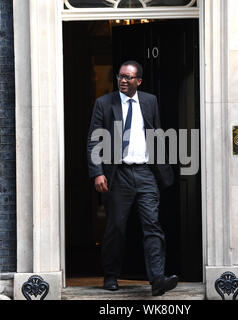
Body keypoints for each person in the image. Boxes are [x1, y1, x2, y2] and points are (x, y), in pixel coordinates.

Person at [86, 60, 177, 296]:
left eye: (129, 77)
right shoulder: (104, 103)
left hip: (146, 173)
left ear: (139, 81)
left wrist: (162, 168)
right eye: (121, 76)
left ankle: (157, 278)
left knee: (152, 226)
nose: (123, 80)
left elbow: (156, 133)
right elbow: (94, 140)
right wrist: (98, 172)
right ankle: (111, 275)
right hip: (119, 174)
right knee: (116, 227)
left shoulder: (150, 101)